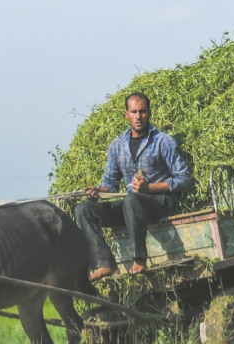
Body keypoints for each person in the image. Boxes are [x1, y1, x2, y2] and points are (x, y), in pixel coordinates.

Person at [75, 92, 191, 281]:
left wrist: (150, 188)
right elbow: (109, 184)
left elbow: (183, 178)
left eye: (143, 111)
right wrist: (97, 192)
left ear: (149, 113)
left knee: (132, 199)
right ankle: (105, 263)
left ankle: (138, 259)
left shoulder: (163, 141)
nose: (138, 116)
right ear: (126, 114)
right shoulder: (117, 145)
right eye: (134, 112)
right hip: (132, 207)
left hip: (159, 204)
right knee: (83, 209)